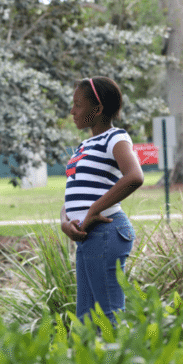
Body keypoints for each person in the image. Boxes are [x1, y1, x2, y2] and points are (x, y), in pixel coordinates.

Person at [60, 76, 144, 325]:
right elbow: (74, 194)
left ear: (97, 110)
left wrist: (94, 209)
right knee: (87, 321)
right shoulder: (84, 145)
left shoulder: (115, 138)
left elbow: (135, 176)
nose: (72, 111)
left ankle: (126, 363)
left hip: (106, 231)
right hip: (87, 236)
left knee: (109, 317)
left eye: (78, 104)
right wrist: (65, 221)